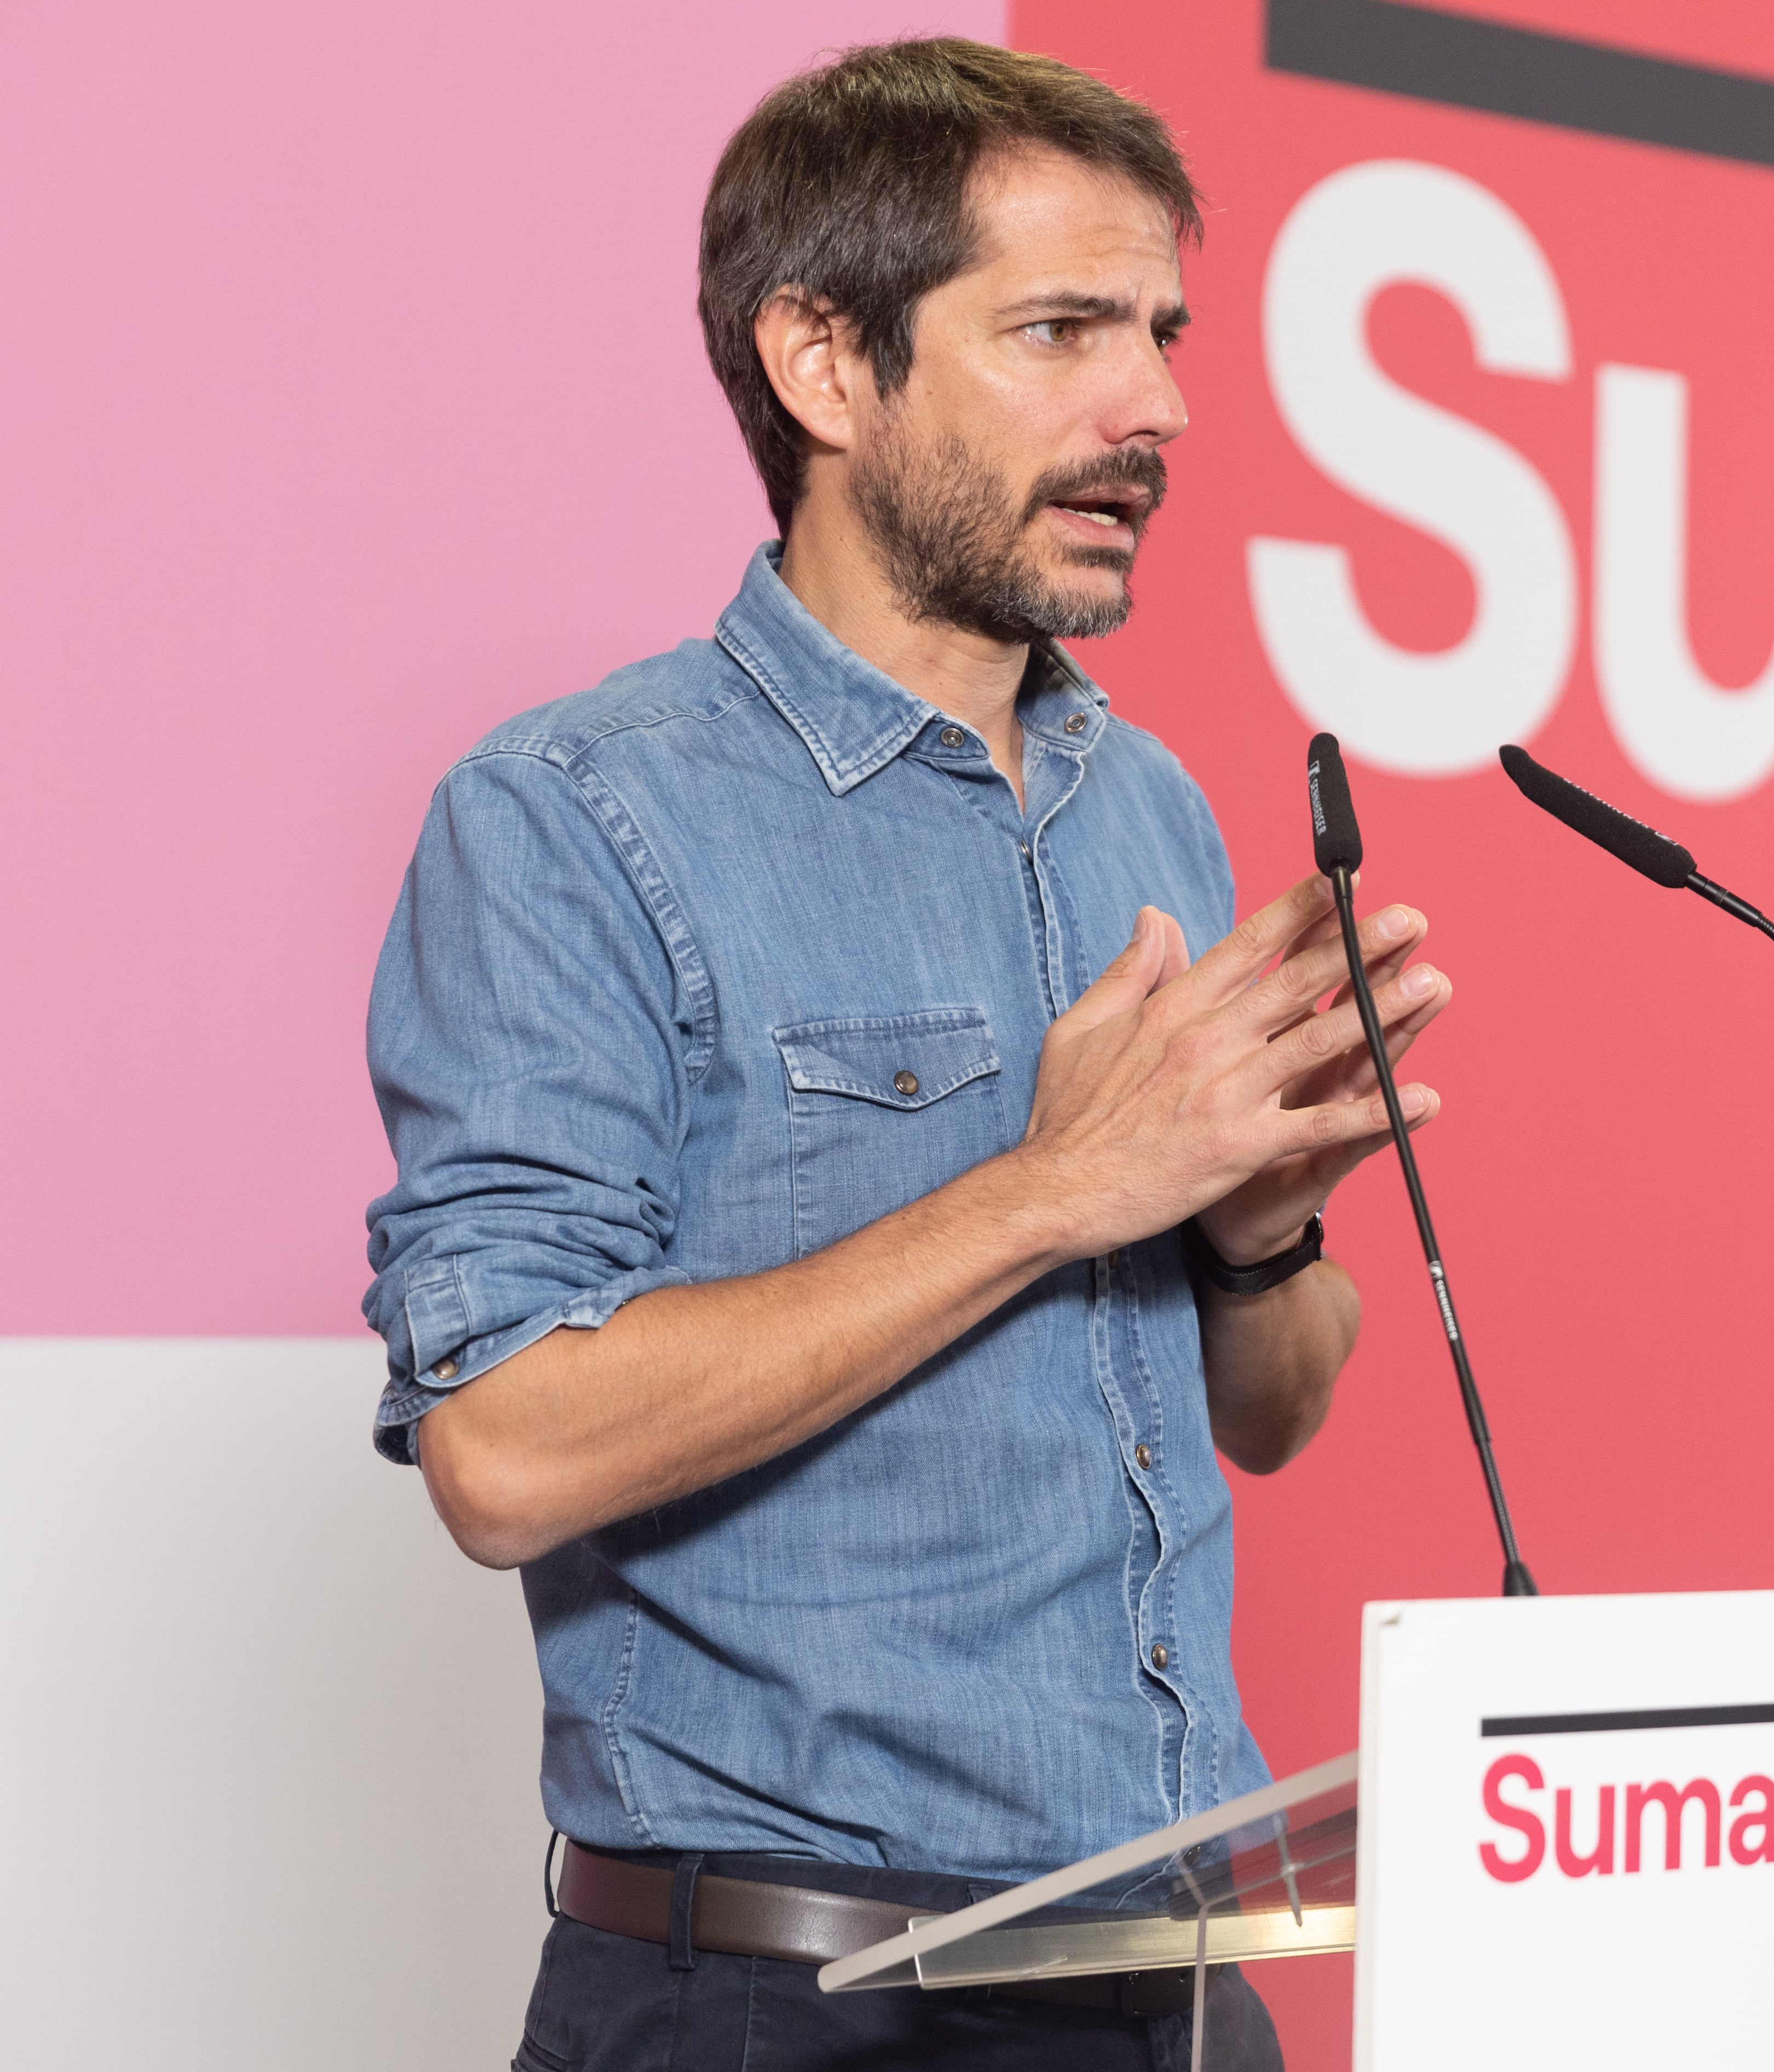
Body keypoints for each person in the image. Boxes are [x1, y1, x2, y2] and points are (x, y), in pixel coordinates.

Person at [362, 38, 1447, 2070]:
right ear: (824, 366)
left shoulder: (1161, 814)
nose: (1158, 408)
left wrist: (1254, 1232)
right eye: (1062, 331)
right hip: (790, 2002)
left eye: (1161, 335)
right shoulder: (574, 817)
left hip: (1176, 1988)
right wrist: (1057, 1189)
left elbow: (1269, 1417)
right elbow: (503, 1453)